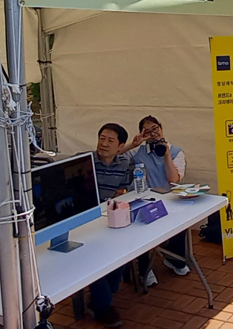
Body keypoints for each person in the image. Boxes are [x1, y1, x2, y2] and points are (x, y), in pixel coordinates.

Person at [122, 116, 187, 285]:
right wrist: (134, 144)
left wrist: (165, 154)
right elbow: (112, 157)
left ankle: (174, 259)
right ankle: (145, 268)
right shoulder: (137, 151)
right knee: (140, 225)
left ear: (161, 128)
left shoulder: (176, 152)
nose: (153, 134)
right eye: (147, 132)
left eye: (155, 129)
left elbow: (174, 179)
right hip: (143, 199)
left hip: (168, 199)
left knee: (183, 219)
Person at [88, 123, 132, 327]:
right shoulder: (84, 161)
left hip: (109, 215)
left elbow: (122, 192)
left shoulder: (125, 164)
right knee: (94, 258)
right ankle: (101, 306)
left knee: (124, 248)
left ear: (120, 146)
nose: (103, 144)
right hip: (85, 219)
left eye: (110, 141)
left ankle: (106, 292)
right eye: (101, 138)